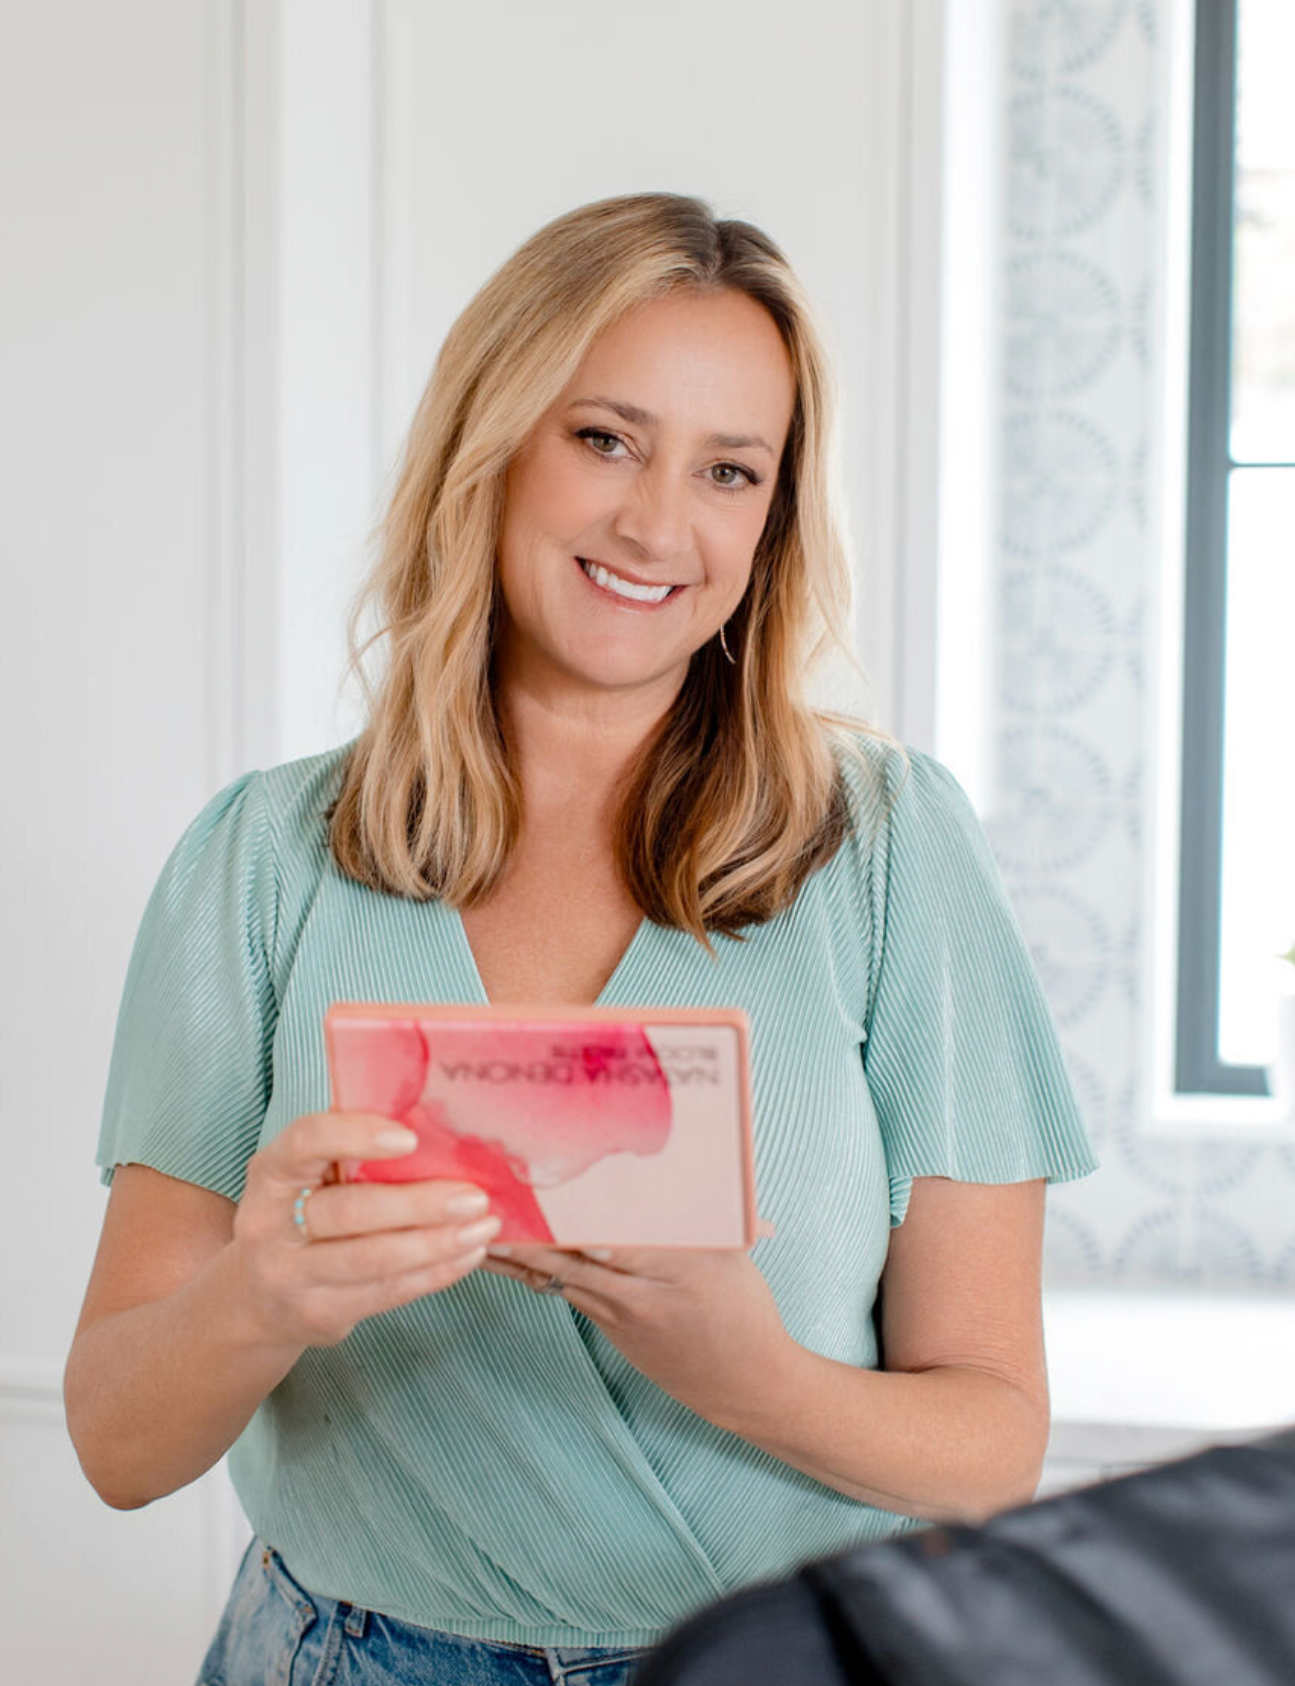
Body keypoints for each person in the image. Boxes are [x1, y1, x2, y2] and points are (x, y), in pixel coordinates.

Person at [63, 191, 1101, 1686]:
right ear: (490, 445)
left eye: (728, 469)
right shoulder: (258, 860)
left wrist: (746, 1372)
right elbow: (116, 1442)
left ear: (771, 519)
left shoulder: (887, 848)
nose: (653, 523)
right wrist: (259, 1292)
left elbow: (991, 1440)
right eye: (603, 437)